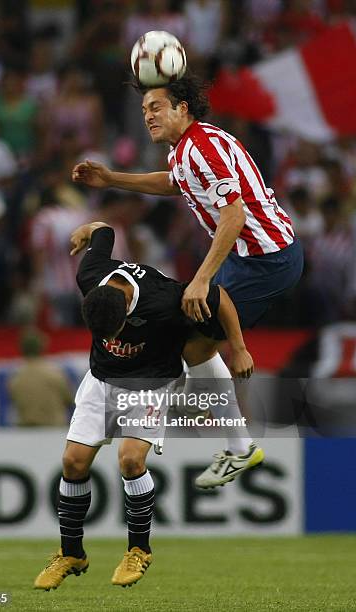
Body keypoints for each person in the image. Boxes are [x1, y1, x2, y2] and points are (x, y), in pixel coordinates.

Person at [71, 73, 303, 480]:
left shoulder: (204, 149)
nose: (148, 116)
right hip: (251, 255)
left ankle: (232, 439)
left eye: (156, 106)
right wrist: (112, 178)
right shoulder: (186, 149)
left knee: (194, 342)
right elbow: (174, 184)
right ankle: (227, 431)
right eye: (144, 110)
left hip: (265, 259)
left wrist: (201, 278)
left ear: (183, 108)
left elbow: (234, 215)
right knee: (191, 339)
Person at [33, 221, 263, 591]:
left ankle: (139, 549)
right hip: (101, 379)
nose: (111, 339)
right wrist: (88, 229)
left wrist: (238, 348)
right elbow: (104, 231)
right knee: (73, 462)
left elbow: (219, 297)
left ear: (128, 306)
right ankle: (71, 552)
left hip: (151, 381)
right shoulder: (91, 275)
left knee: (130, 459)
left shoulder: (166, 299)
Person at [8, 330, 73, 426]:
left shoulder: (16, 378)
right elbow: (69, 400)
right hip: (53, 430)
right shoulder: (55, 373)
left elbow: (14, 401)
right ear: (42, 347)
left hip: (26, 431)